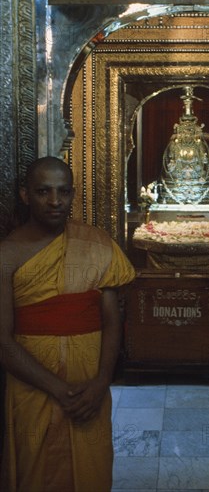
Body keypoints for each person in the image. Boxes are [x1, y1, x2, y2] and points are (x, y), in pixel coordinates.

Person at [0, 156, 135, 492]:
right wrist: (59, 390)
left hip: (91, 393)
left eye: (63, 191)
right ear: (25, 195)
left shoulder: (96, 244)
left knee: (91, 473)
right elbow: (2, 341)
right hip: (34, 392)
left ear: (74, 194)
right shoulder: (7, 255)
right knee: (36, 472)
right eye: (44, 191)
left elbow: (112, 322)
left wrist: (102, 381)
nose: (55, 201)